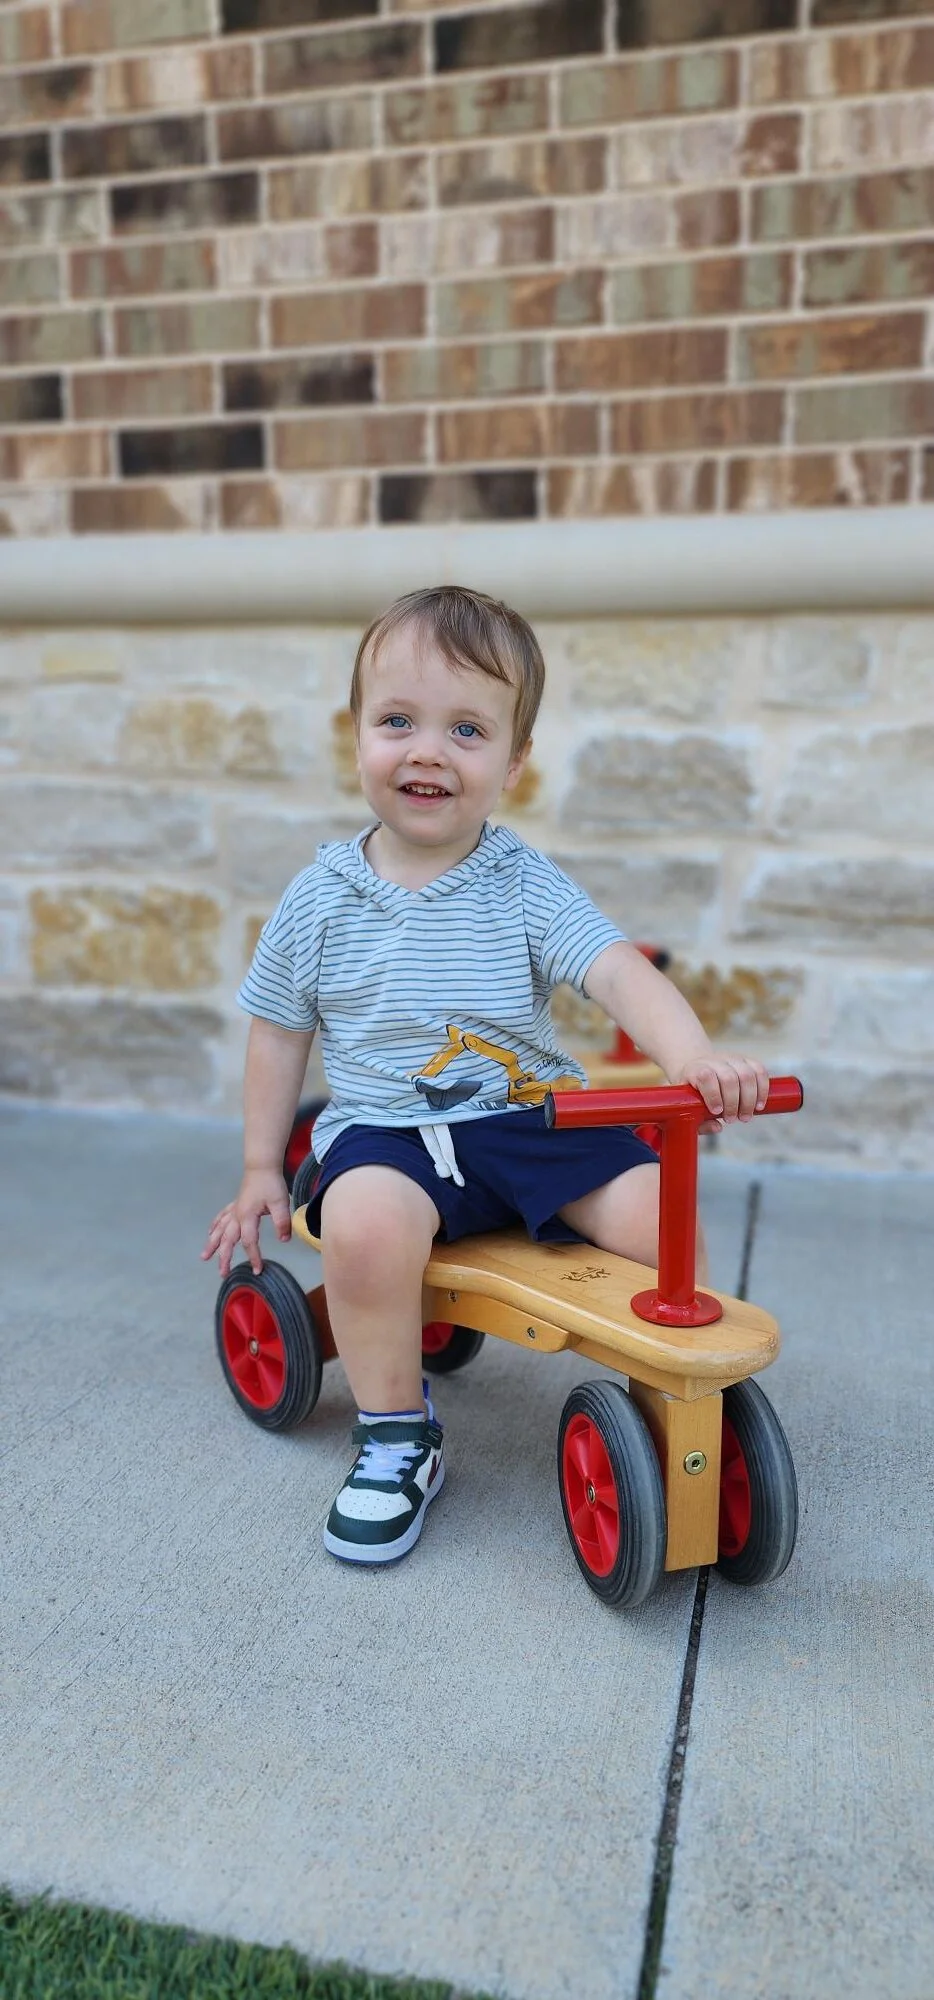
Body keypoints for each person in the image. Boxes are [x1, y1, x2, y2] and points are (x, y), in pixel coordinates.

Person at [202, 585, 769, 1568]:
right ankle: (392, 1434)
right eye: (397, 720)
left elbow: (615, 969)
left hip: (525, 1115)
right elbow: (278, 1030)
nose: (426, 750)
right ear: (358, 737)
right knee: (368, 1227)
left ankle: (676, 1407)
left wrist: (692, 1058)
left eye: (465, 728)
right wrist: (260, 1164)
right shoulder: (321, 895)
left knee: (656, 1209)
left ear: (512, 762)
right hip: (384, 1126)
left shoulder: (521, 881)